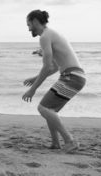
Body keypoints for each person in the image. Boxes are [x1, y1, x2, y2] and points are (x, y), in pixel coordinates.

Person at [22, 10, 86, 153]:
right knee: (49, 109)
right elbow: (55, 67)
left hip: (72, 76)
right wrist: (34, 79)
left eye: (28, 24)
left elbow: (46, 66)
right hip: (75, 76)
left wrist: (33, 89)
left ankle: (70, 140)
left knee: (43, 109)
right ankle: (56, 143)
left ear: (34, 21)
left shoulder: (45, 36)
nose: (28, 29)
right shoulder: (51, 34)